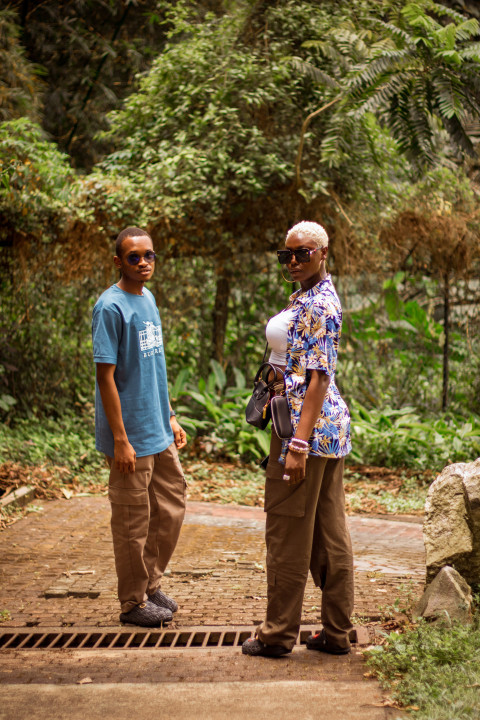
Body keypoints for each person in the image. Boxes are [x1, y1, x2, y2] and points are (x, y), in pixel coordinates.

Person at [242, 221, 354, 658]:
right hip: (325, 430)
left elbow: (318, 379)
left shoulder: (320, 303)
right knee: (329, 534)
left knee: (288, 531)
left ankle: (276, 635)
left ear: (323, 253)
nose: (292, 261)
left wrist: (298, 445)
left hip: (306, 431)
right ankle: (336, 633)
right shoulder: (306, 295)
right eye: (285, 254)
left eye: (302, 253)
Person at [92, 226, 187, 627]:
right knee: (132, 521)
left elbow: (155, 369)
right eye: (134, 257)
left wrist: (170, 414)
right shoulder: (110, 307)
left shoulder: (148, 299)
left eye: (149, 255)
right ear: (119, 261)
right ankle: (132, 604)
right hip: (129, 436)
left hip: (158, 428)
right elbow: (105, 377)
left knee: (170, 507)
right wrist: (120, 440)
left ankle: (149, 584)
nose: (144, 262)